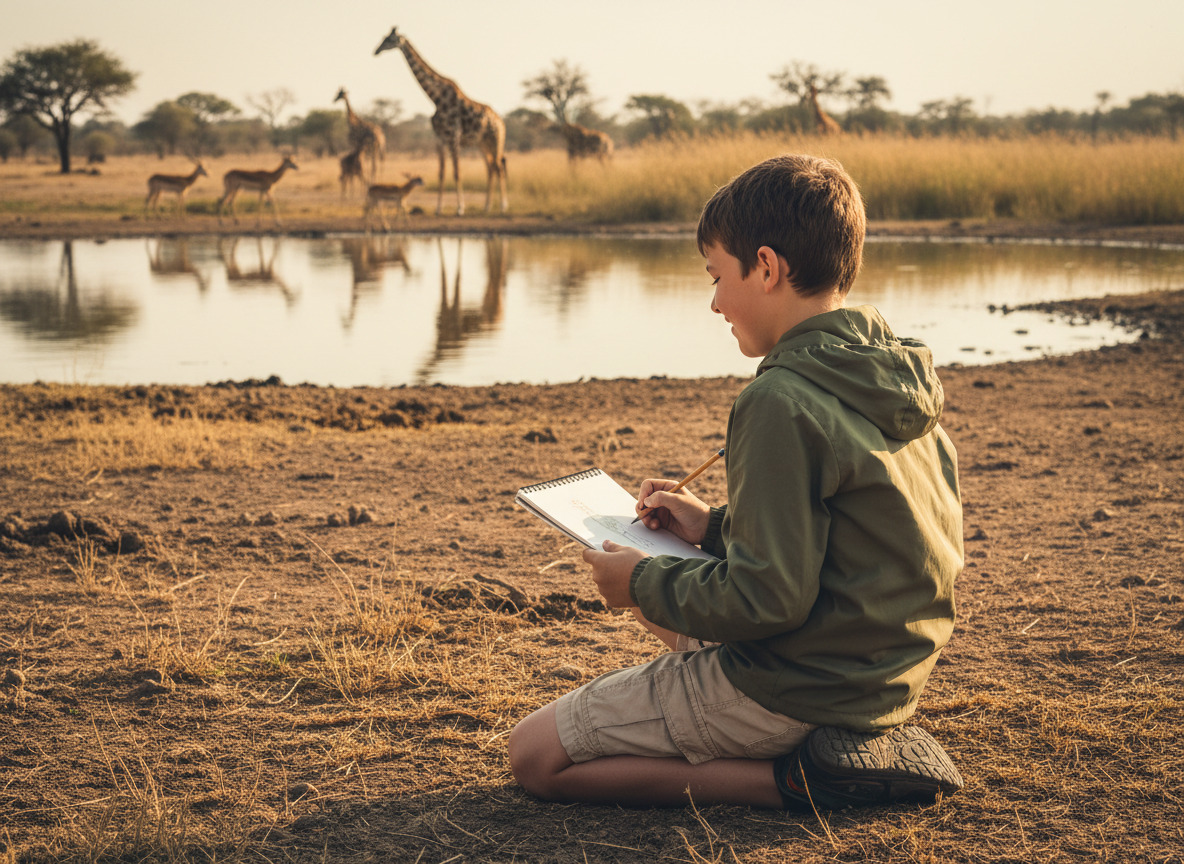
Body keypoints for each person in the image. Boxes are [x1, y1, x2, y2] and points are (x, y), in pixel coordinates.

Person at [508, 154, 964, 809]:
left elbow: (768, 599)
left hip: (798, 686)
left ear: (768, 267)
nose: (716, 300)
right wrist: (712, 526)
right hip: (880, 679)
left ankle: (802, 782)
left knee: (535, 756)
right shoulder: (889, 374)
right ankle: (816, 750)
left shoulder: (779, 400)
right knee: (664, 587)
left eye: (718, 275)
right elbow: (852, 535)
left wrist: (636, 580)